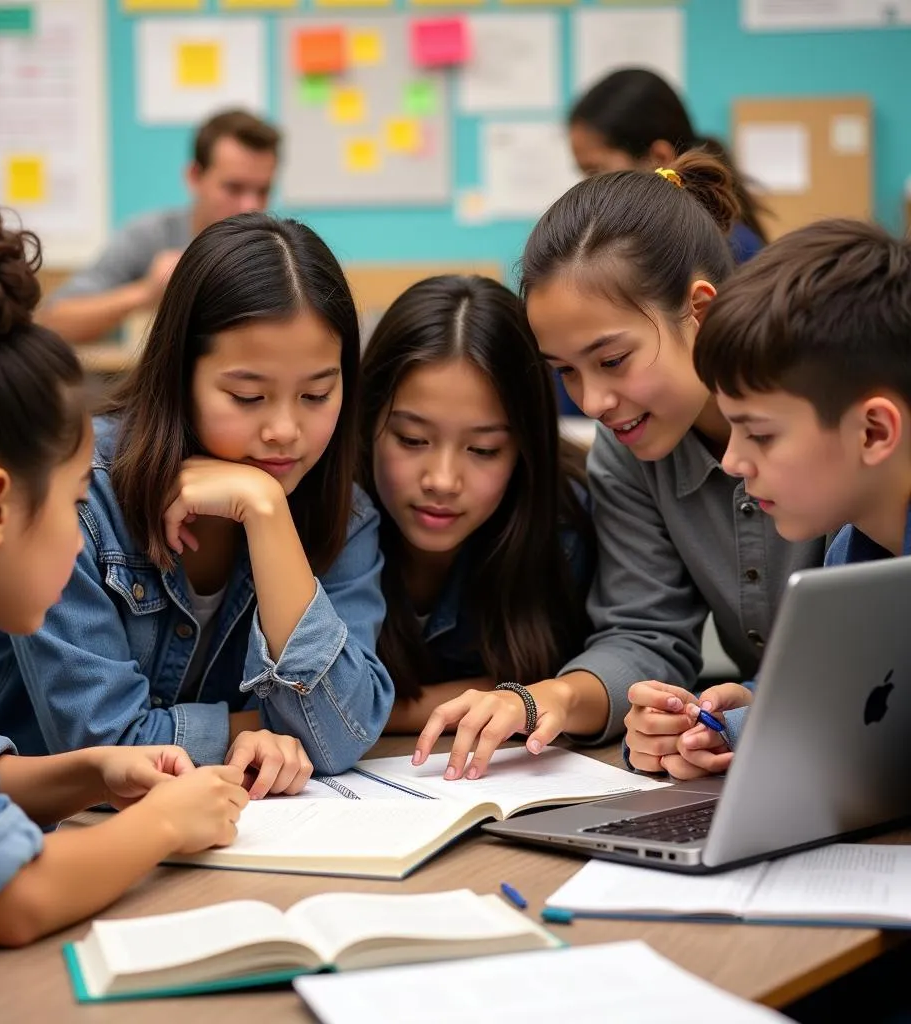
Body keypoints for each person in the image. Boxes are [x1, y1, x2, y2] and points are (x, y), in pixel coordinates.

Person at [0, 196, 248, 953]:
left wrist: (95, 771)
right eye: (80, 497)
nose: (86, 525)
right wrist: (163, 824)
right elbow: (12, 898)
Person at [413, 152, 824, 781]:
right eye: (565, 372)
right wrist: (556, 698)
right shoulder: (629, 453)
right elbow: (647, 634)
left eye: (611, 360)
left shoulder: (831, 414)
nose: (592, 402)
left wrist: (757, 704)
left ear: (701, 312)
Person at [0, 212, 394, 791]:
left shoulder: (346, 514)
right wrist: (255, 726)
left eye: (317, 393)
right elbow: (106, 749)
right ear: (179, 375)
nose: (285, 430)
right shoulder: (78, 498)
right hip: (44, 831)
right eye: (248, 396)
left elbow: (341, 733)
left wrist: (266, 512)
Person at [671, 219, 911, 776]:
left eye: (760, 433)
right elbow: (844, 692)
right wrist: (740, 715)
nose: (732, 461)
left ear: (873, 432)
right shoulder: (855, 551)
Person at [357, 275, 594, 763]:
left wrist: (366, 708)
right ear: (366, 424)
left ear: (524, 449)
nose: (443, 480)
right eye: (412, 440)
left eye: (483, 449)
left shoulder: (565, 523)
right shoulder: (324, 516)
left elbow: (579, 679)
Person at [38, 109, 280, 344]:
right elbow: (53, 321)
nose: (251, 206)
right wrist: (146, 293)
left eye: (263, 190)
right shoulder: (150, 237)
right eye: (234, 188)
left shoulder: (280, 251)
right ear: (195, 177)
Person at [568, 68, 769, 266]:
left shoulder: (722, 252)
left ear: (659, 158)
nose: (588, 187)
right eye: (584, 173)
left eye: (595, 170)